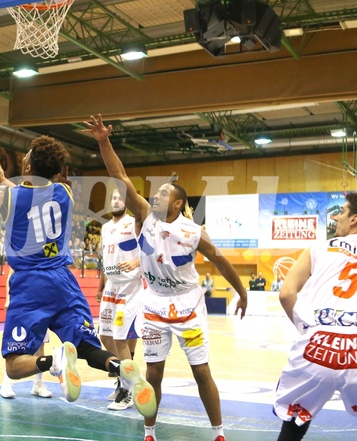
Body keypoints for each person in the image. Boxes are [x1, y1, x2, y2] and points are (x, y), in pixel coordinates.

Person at [86, 114, 247, 441]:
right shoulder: (145, 216)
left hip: (188, 307)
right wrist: (104, 141)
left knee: (201, 372)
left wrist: (242, 291)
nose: (155, 195)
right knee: (153, 373)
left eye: (163, 193)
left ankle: (218, 433)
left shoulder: (193, 231)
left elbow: (221, 261)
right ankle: (150, 432)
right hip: (155, 306)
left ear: (177, 203)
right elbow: (119, 175)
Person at [0, 134, 156, 417]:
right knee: (87, 347)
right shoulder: (64, 193)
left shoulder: (11, 194)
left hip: (30, 282)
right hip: (64, 281)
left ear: (27, 165)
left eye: (25, 157)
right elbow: (31, 196)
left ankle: (53, 361)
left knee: (13, 364)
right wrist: (7, 185)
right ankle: (122, 369)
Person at [273, 192, 357, 440]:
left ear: (354, 220)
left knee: (294, 424)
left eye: (343, 211)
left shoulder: (317, 248)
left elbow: (286, 294)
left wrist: (310, 330)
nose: (337, 216)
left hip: (317, 344)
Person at [96, 188, 144, 411]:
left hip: (130, 286)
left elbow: (151, 250)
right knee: (105, 335)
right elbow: (105, 259)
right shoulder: (105, 227)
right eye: (113, 198)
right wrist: (101, 285)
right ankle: (126, 377)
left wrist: (136, 263)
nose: (116, 200)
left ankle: (127, 390)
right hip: (111, 287)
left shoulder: (134, 223)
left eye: (120, 197)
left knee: (120, 338)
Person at [0, 268, 52, 399]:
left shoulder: (47, 259)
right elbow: (10, 275)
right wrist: (8, 297)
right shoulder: (23, 254)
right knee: (16, 346)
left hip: (41, 305)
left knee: (40, 346)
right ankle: (6, 383)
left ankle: (38, 384)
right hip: (21, 305)